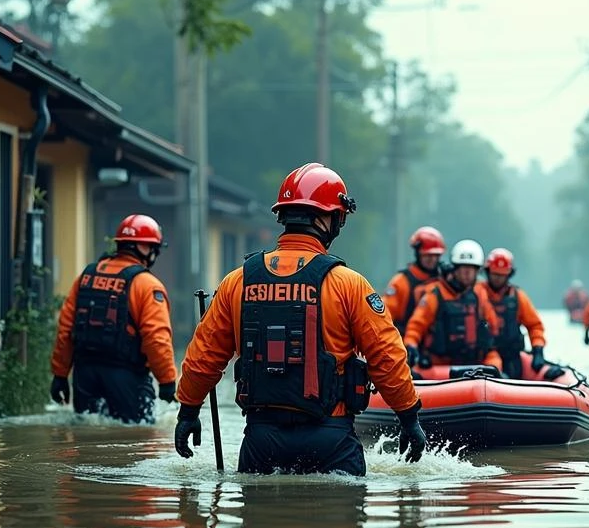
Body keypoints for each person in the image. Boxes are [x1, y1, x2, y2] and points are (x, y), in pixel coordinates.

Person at [172, 163, 427, 475]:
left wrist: (188, 411)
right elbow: (386, 356)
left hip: (260, 441)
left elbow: (203, 356)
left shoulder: (237, 282)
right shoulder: (349, 284)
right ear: (326, 219)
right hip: (331, 440)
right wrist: (408, 417)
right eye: (338, 217)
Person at [50, 214, 177, 423]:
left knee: (87, 434)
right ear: (144, 248)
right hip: (126, 377)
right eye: (154, 248)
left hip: (84, 377)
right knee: (137, 438)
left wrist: (60, 375)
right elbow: (156, 338)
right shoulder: (147, 285)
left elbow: (65, 330)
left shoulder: (86, 277)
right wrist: (167, 381)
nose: (155, 253)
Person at [403, 239, 503, 372]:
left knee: (495, 361)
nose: (467, 274)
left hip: (474, 362)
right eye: (463, 268)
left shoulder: (479, 294)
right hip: (441, 366)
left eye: (471, 269)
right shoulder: (435, 293)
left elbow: (493, 326)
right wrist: (411, 344)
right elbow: (416, 325)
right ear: (455, 269)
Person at [480, 247, 559, 379]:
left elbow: (534, 325)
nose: (498, 278)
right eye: (495, 274)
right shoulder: (478, 293)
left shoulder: (518, 297)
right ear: (488, 272)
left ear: (509, 275)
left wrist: (538, 350)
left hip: (511, 356)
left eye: (502, 275)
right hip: (484, 356)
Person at [383, 226, 446, 336]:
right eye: (427, 255)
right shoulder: (401, 282)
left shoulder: (444, 281)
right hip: (405, 342)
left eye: (436, 256)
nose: (432, 259)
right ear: (417, 253)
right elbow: (384, 317)